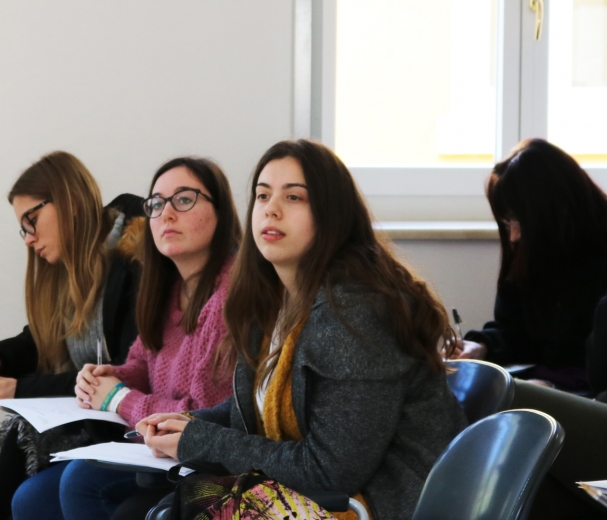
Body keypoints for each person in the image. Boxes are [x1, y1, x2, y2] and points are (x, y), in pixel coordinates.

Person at [135, 140, 466, 520]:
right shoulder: (274, 302)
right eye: (262, 196)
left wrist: (202, 440)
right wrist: (190, 424)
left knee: (188, 505)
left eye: (293, 198)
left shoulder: (356, 312)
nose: (271, 209)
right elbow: (253, 405)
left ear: (331, 214)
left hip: (376, 506)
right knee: (165, 505)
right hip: (324, 497)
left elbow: (331, 471)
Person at [33, 157, 242, 520]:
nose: (167, 214)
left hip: (209, 464)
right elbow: (141, 364)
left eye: (185, 199)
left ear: (221, 212)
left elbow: (201, 416)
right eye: (157, 204)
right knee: (31, 499)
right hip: (156, 452)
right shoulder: (167, 286)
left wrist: (118, 398)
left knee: (80, 484)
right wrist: (108, 376)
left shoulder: (230, 295)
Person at [0, 151, 146, 520]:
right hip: (91, 422)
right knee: (21, 456)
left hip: (126, 429)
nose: (28, 239)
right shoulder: (75, 269)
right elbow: (41, 337)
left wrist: (22, 388)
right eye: (22, 228)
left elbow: (122, 370)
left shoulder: (132, 261)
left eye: (32, 220)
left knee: (25, 489)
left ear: (69, 200)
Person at [458, 139, 607, 394]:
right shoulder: (530, 256)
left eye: (518, 221)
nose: (513, 236)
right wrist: (481, 345)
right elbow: (514, 332)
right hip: (543, 391)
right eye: (507, 223)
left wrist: (550, 390)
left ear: (554, 211)